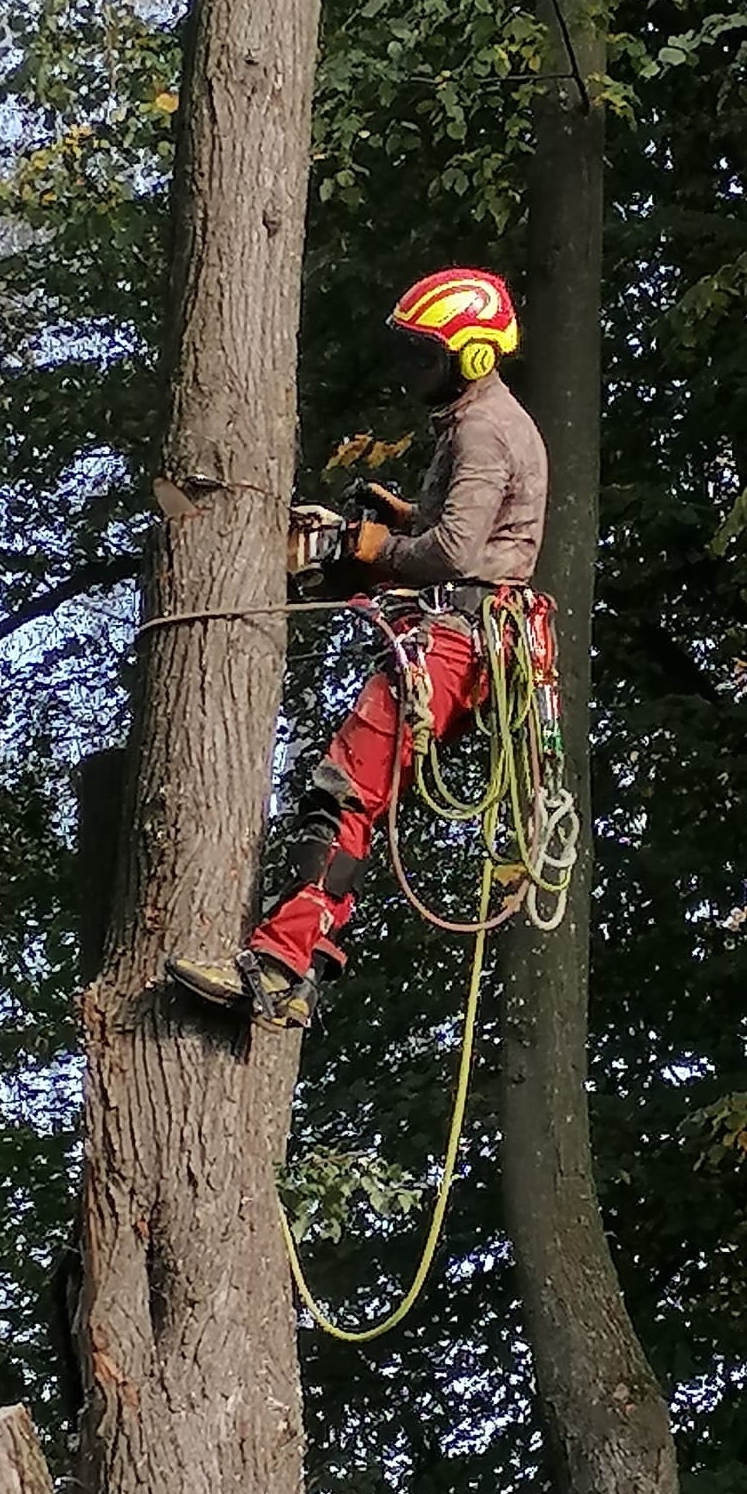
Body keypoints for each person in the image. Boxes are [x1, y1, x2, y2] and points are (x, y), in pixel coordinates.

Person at [169, 266, 549, 1030]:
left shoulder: (482, 428)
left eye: (427, 356)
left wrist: (374, 545)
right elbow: (471, 532)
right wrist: (393, 516)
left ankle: (276, 963)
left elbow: (448, 554)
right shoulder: (480, 421)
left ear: (472, 356)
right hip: (467, 638)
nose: (414, 371)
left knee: (340, 792)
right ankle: (308, 966)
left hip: (454, 640)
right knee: (356, 800)